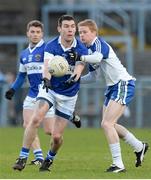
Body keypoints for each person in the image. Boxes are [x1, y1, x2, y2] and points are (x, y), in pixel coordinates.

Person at [68, 19, 149, 173]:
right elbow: (93, 77)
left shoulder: (99, 44)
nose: (82, 35)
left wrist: (80, 57)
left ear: (94, 33)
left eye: (85, 32)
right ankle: (139, 146)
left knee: (107, 124)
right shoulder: (89, 51)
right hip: (112, 87)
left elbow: (98, 58)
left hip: (123, 84)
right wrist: (75, 81)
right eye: (80, 33)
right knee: (108, 124)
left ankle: (118, 165)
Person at [12, 15, 88, 172]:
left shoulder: (81, 47)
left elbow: (80, 67)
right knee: (35, 119)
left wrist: (75, 76)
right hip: (50, 89)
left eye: (72, 26)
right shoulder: (51, 45)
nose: (70, 29)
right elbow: (47, 66)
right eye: (66, 26)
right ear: (59, 29)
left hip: (69, 95)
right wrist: (46, 79)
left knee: (55, 136)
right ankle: (22, 157)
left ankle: (49, 158)